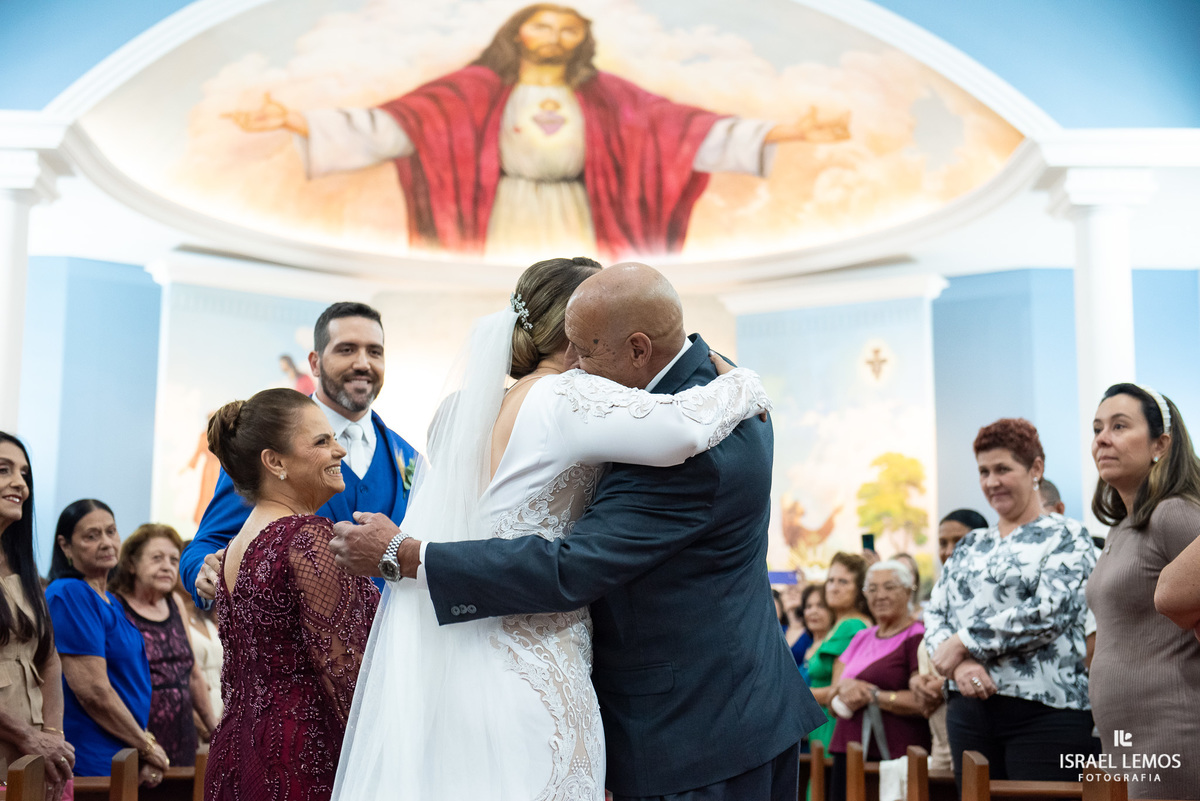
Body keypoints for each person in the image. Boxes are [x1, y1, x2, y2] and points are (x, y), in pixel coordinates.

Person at [330, 261, 823, 801]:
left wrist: (414, 556)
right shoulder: (602, 397)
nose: (578, 363)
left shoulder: (682, 434)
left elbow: (574, 563)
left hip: (700, 727)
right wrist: (745, 381)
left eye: (588, 349)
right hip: (571, 670)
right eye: (575, 346)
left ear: (636, 347)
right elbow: (674, 429)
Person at [226, 4, 851, 260]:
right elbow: (396, 125)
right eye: (541, 24)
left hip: (578, 208)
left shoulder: (609, 99)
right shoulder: (473, 90)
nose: (553, 36)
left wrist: (789, 133)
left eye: (567, 27)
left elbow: (685, 132)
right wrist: (294, 120)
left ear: (582, 39)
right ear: (517, 32)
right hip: (508, 210)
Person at [204, 388, 380, 801]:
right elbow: (347, 676)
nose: (339, 450)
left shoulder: (233, 549)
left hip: (235, 753)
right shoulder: (308, 538)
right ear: (275, 462)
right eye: (321, 441)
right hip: (301, 761)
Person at [182, 301, 419, 606]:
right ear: (315, 363)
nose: (363, 363)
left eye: (375, 351)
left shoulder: (409, 457)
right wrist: (203, 571)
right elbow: (207, 543)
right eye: (347, 349)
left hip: (394, 645)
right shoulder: (264, 444)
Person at [925, 418, 1096, 787]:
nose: (991, 482)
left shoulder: (1067, 534)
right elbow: (935, 612)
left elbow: (1050, 610)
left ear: (1036, 468)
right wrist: (958, 667)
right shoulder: (971, 544)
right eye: (984, 471)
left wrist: (964, 642)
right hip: (968, 709)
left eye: (1003, 469)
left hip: (1047, 712)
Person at [1087, 384, 1200, 799]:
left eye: (1119, 426)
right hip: (1120, 737)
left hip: (1174, 729)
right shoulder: (1119, 528)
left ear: (1160, 444)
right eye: (1097, 428)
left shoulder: (1175, 512)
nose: (1102, 438)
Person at [45, 500, 169, 787]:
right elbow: (94, 692)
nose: (106, 542)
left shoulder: (111, 600)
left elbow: (128, 687)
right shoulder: (69, 593)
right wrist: (148, 746)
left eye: (111, 531)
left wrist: (143, 747)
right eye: (92, 536)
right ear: (65, 546)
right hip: (91, 758)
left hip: (123, 750)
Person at [0, 433, 75, 800]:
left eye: (24, 474)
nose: (20, 483)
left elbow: (48, 658)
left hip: (30, 751)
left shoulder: (23, 569)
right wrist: (28, 736)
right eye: (4, 470)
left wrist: (53, 739)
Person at [109, 524, 215, 767]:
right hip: (136, 738)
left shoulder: (175, 602)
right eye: (157, 558)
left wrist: (214, 731)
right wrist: (142, 744)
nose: (167, 566)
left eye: (173, 559)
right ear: (132, 564)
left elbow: (193, 674)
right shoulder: (114, 605)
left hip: (182, 733)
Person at [827, 560, 929, 801]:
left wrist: (873, 696)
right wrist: (842, 691)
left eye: (889, 587)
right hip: (847, 750)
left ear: (908, 591)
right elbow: (834, 694)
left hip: (894, 757)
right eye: (872, 589)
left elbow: (924, 701)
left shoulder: (918, 636)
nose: (879, 596)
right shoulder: (861, 637)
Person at [910, 508, 987, 772]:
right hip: (942, 742)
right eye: (943, 543)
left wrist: (948, 683)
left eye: (959, 541)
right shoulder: (938, 600)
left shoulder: (990, 597)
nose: (949, 550)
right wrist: (918, 683)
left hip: (981, 733)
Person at [806, 552, 872, 752]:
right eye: (831, 580)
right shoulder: (839, 624)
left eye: (843, 582)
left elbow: (837, 691)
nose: (834, 587)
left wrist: (791, 696)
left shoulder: (851, 626)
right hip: (822, 726)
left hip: (834, 725)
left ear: (859, 589)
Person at [797, 585, 833, 686]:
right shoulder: (810, 645)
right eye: (808, 606)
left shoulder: (833, 644)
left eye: (821, 606)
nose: (813, 611)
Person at [781, 584, 810, 666]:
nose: (792, 594)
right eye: (788, 592)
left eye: (797, 592)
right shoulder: (777, 631)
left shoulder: (812, 631)